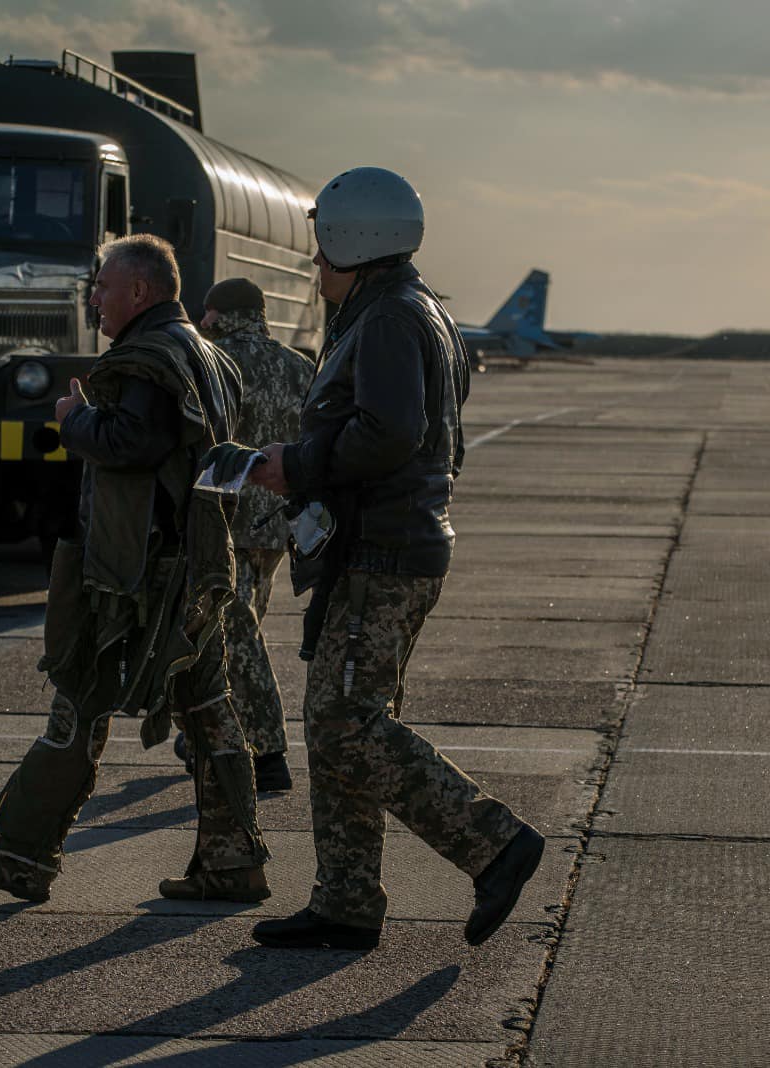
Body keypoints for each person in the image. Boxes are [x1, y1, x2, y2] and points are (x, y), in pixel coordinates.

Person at [246, 167, 544, 951]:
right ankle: (346, 900)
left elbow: (389, 433)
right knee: (336, 722)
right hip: (385, 545)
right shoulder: (417, 309)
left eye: (322, 249)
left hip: (383, 552)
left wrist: (296, 465)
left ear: (355, 241)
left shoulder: (385, 319)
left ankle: (495, 844)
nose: (315, 264)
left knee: (346, 724)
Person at [0, 234, 270, 904]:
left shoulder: (148, 359)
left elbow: (132, 443)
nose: (94, 300)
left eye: (103, 288)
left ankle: (21, 853)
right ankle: (233, 862)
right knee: (208, 709)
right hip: (197, 564)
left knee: (81, 690)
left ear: (140, 291)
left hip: (137, 575)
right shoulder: (208, 356)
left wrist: (75, 420)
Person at [176, 277, 315, 794]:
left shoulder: (214, 362)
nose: (202, 321)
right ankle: (207, 736)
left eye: (207, 312)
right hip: (277, 524)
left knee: (234, 635)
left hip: (224, 520)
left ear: (219, 314)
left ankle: (268, 751)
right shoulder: (300, 366)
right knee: (237, 628)